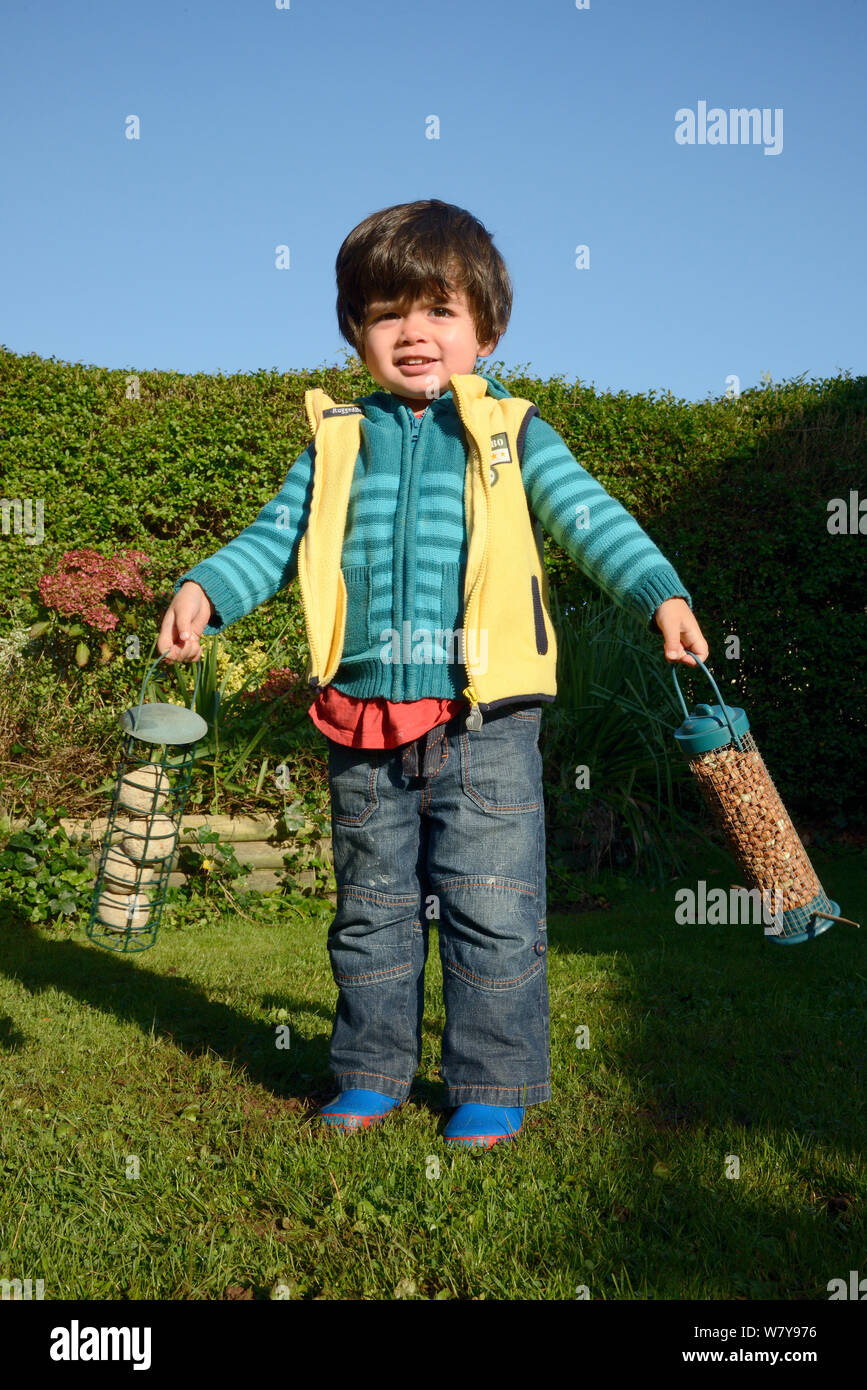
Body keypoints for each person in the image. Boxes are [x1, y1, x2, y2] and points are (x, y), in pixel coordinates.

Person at [158, 199, 709, 1148]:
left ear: (485, 329)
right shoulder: (336, 440)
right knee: (369, 910)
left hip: (485, 717)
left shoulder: (512, 430)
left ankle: (491, 1079)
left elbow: (589, 517)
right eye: (385, 313)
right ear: (355, 332)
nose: (412, 333)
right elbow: (272, 539)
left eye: (438, 311)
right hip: (359, 711)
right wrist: (208, 588)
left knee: (490, 907)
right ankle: (370, 1072)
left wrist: (657, 593)